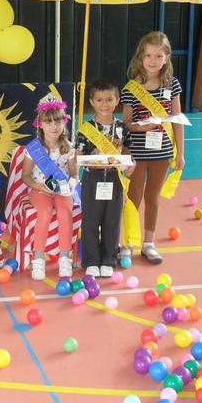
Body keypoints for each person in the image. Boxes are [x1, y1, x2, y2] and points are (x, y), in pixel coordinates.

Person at [120, 31, 185, 264]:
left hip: (163, 152)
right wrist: (140, 128)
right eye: (148, 55)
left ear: (166, 58)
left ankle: (148, 243)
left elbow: (177, 120)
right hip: (137, 153)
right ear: (141, 56)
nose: (153, 60)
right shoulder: (131, 87)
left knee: (153, 197)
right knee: (133, 197)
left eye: (158, 56)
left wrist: (181, 153)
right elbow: (126, 123)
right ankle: (128, 242)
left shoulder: (172, 85)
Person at [75, 80, 134, 278]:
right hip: (92, 179)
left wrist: (130, 164)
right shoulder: (86, 129)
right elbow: (78, 156)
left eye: (109, 99)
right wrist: (87, 163)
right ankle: (91, 260)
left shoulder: (122, 128)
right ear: (92, 102)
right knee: (91, 221)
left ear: (117, 101)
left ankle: (109, 259)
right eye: (99, 100)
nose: (104, 104)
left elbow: (127, 151)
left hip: (115, 179)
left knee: (112, 221)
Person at [21, 100, 78, 280]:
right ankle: (38, 259)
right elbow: (26, 176)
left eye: (58, 121)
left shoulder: (69, 147)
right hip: (40, 190)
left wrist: (71, 184)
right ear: (40, 124)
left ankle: (65, 258)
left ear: (64, 122)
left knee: (65, 212)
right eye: (48, 121)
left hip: (62, 191)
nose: (53, 126)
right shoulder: (34, 148)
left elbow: (75, 174)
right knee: (44, 212)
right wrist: (38, 186)